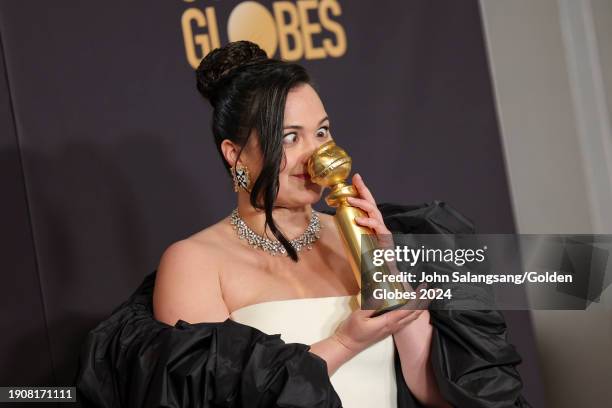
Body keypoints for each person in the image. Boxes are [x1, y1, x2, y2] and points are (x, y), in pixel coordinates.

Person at [75, 41, 532, 408]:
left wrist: (384, 266)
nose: (316, 154)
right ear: (236, 155)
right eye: (289, 137)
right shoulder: (194, 262)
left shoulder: (362, 238)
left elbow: (438, 394)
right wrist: (344, 343)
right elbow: (209, 397)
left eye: (323, 131)